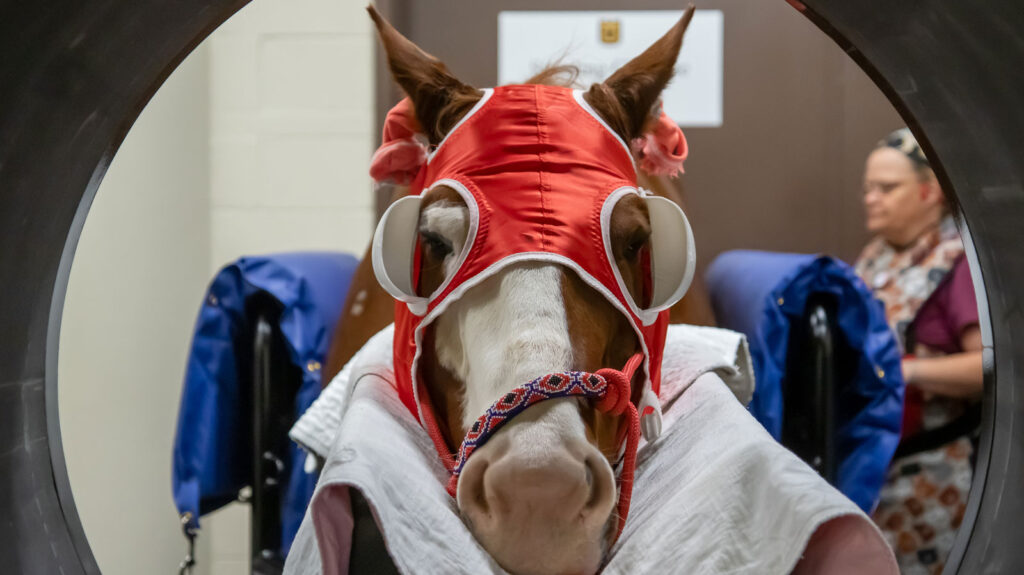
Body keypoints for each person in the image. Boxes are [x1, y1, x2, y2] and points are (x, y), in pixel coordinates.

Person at [854, 128, 982, 574]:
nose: (872, 198)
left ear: (929, 192)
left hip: (932, 476)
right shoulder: (875, 256)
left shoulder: (958, 263)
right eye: (868, 188)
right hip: (875, 466)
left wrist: (906, 371)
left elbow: (987, 367)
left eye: (887, 188)